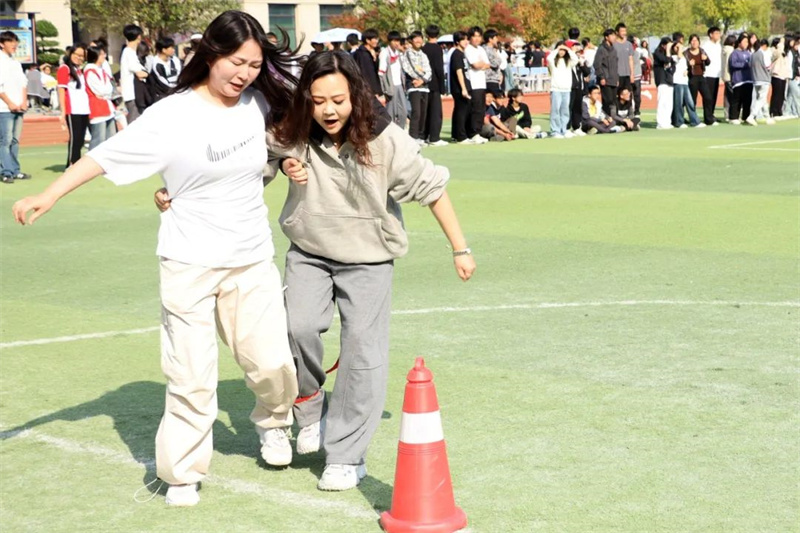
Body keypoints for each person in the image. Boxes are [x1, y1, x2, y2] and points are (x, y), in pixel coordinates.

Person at [13, 10, 300, 508]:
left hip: (250, 257)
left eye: (254, 65)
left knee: (272, 361)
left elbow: (290, 142)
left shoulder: (260, 104)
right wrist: (49, 194)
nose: (244, 74)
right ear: (211, 54)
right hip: (187, 260)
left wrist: (290, 159)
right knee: (190, 373)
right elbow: (103, 157)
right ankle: (182, 472)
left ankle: (275, 422)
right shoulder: (171, 114)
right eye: (236, 62)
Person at [269, 51, 475, 491]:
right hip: (308, 251)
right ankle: (310, 407)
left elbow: (432, 189)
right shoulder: (294, 128)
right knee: (296, 327)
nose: (328, 110)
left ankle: (346, 456)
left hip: (369, 258)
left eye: (338, 100)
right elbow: (256, 160)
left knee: (363, 351)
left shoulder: (385, 139)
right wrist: (282, 163)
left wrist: (461, 248)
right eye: (318, 101)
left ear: (355, 96)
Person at [0, 30, 30, 184]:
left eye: (15, 41)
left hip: (19, 107)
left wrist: (24, 101)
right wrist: (9, 103)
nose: (14, 44)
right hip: (4, 108)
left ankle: (15, 170)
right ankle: (6, 171)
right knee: (5, 140)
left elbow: (23, 83)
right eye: (10, 41)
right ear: (2, 44)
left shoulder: (16, 63)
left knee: (15, 140)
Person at [57, 44, 91, 168]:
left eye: (82, 56)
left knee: (81, 139)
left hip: (84, 109)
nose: (79, 58)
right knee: (75, 138)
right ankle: (71, 164)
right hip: (73, 109)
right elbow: (61, 89)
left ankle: (75, 162)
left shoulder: (79, 70)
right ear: (71, 54)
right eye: (77, 55)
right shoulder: (64, 68)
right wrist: (63, 111)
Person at [401, 31, 432, 145]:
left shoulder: (423, 55)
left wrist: (423, 80)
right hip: (413, 86)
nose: (418, 41)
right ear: (411, 40)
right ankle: (413, 136)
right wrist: (420, 79)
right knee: (416, 112)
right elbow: (409, 68)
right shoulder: (408, 53)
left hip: (424, 86)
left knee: (423, 113)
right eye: (416, 38)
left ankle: (420, 136)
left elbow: (429, 70)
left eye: (420, 38)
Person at [83, 45, 117, 150]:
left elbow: (109, 88)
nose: (104, 56)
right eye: (101, 54)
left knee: (111, 137)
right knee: (99, 138)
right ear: (95, 56)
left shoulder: (101, 70)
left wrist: (105, 93)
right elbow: (99, 90)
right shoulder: (90, 71)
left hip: (107, 106)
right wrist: (105, 92)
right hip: (97, 108)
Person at [421, 25, 448, 146]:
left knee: (426, 110)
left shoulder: (423, 48)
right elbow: (439, 68)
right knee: (436, 112)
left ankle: (425, 135)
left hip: (424, 82)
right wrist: (443, 86)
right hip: (435, 83)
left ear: (426, 35)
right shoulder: (437, 49)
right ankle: (434, 137)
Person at [465, 26, 490, 144]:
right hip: (473, 84)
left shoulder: (481, 49)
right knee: (474, 109)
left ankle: (478, 132)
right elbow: (474, 65)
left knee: (481, 109)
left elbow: (488, 64)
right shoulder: (468, 49)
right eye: (474, 36)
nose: (477, 39)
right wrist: (481, 64)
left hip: (481, 83)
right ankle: (472, 133)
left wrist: (481, 64)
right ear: (470, 38)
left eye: (479, 36)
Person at [547, 43, 576, 138]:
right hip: (556, 89)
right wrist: (557, 49)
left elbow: (575, 59)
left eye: (563, 50)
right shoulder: (553, 62)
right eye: (560, 50)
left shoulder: (569, 62)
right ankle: (555, 130)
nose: (561, 52)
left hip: (566, 89)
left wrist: (568, 49)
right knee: (555, 110)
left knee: (565, 110)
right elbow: (549, 58)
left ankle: (564, 129)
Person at [378, 31, 407, 128]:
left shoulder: (398, 53)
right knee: (391, 112)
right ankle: (389, 131)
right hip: (390, 86)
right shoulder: (385, 53)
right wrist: (385, 89)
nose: (396, 43)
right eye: (394, 41)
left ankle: (400, 130)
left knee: (403, 111)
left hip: (399, 85)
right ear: (389, 41)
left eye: (398, 41)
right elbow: (381, 73)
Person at [672, 41, 704, 128]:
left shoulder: (684, 57)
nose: (679, 48)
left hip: (684, 81)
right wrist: (679, 48)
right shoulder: (674, 57)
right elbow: (678, 57)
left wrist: (687, 69)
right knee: (679, 103)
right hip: (677, 82)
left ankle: (695, 121)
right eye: (676, 47)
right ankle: (679, 122)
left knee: (690, 102)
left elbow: (685, 66)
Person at [120, 24, 148, 123]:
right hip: (132, 94)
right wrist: (149, 74)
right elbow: (139, 73)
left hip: (135, 94)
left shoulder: (129, 52)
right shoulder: (129, 52)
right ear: (139, 36)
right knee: (134, 122)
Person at [448, 31, 472, 144]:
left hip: (464, 86)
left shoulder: (462, 53)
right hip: (459, 88)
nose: (466, 42)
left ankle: (455, 134)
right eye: (463, 39)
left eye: (467, 39)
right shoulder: (456, 54)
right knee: (462, 111)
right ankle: (461, 136)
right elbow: (459, 71)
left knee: (460, 110)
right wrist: (463, 88)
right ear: (457, 41)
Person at [747, 38, 774, 126]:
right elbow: (768, 66)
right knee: (761, 99)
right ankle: (751, 116)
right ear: (764, 46)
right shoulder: (764, 54)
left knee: (762, 99)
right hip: (764, 79)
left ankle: (767, 117)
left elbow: (749, 65)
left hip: (756, 79)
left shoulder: (753, 54)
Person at [685, 34, 711, 122]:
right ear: (690, 42)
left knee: (708, 97)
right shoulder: (686, 53)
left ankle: (708, 119)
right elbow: (682, 66)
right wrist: (689, 64)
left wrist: (706, 58)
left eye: (696, 40)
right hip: (692, 77)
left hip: (701, 77)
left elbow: (708, 62)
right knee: (692, 100)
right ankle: (693, 119)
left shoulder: (702, 51)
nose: (694, 42)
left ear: (699, 42)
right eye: (692, 40)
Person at [728, 34, 753, 125]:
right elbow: (733, 64)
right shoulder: (735, 53)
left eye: (747, 42)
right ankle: (733, 117)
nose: (746, 44)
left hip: (748, 79)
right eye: (744, 42)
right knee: (737, 99)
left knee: (748, 100)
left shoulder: (748, 53)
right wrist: (745, 65)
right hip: (738, 80)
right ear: (739, 42)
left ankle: (745, 117)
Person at [352, 28, 382, 104]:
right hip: (368, 90)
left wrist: (375, 59)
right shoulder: (363, 54)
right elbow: (368, 74)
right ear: (368, 40)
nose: (377, 41)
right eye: (375, 39)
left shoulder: (369, 53)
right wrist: (375, 91)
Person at [593, 29, 619, 114]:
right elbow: (597, 64)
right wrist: (601, 77)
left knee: (614, 100)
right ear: (606, 37)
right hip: (605, 80)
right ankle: (606, 119)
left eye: (615, 35)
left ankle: (614, 118)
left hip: (613, 79)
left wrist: (617, 78)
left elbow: (616, 66)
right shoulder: (601, 49)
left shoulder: (614, 50)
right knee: (607, 101)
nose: (614, 37)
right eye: (612, 35)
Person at [150, 37, 182, 103]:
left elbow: (179, 74)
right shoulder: (156, 64)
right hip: (164, 95)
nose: (174, 50)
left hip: (177, 92)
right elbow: (162, 81)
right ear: (164, 50)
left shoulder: (175, 60)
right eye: (171, 48)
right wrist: (174, 90)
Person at [653, 36, 675, 129]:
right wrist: (668, 51)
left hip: (669, 80)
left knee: (669, 103)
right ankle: (660, 123)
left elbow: (673, 66)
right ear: (663, 45)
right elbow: (666, 60)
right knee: (662, 102)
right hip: (662, 80)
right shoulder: (657, 53)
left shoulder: (670, 54)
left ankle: (667, 121)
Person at [702, 26, 722, 125]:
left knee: (714, 96)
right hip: (708, 74)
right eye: (716, 33)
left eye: (719, 33)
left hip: (716, 74)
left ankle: (711, 114)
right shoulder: (706, 45)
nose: (718, 35)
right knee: (708, 97)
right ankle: (707, 117)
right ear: (711, 34)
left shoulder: (718, 45)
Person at [770, 37, 789, 120]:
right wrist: (781, 44)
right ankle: (773, 111)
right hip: (776, 75)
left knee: (781, 94)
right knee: (776, 94)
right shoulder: (773, 50)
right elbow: (776, 55)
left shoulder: (783, 52)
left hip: (783, 75)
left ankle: (779, 111)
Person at [721, 34, 737, 121]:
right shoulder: (731, 50)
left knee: (727, 96)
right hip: (730, 75)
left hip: (725, 75)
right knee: (733, 96)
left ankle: (727, 114)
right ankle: (732, 115)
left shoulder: (723, 49)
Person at [482, 29, 503, 94]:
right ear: (490, 39)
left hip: (493, 78)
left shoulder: (492, 49)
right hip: (489, 79)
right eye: (495, 38)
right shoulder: (487, 49)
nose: (497, 39)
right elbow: (495, 64)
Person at [614, 23, 634, 92]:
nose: (624, 33)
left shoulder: (629, 44)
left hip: (627, 75)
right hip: (617, 75)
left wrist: (632, 74)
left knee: (627, 94)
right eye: (622, 31)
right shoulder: (613, 45)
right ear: (617, 32)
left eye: (625, 31)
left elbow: (630, 59)